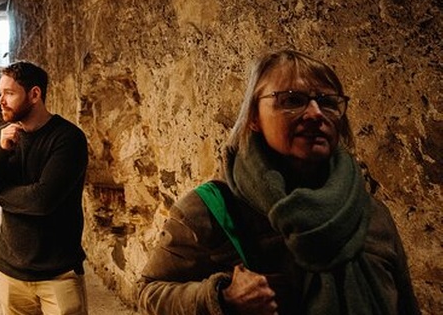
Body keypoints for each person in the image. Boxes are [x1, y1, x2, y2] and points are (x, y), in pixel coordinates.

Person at [138, 49, 420, 315]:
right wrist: (222, 298)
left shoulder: (367, 212)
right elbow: (148, 293)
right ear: (253, 118)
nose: (315, 114)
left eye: (328, 102)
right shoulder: (210, 211)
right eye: (291, 100)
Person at [0, 60, 89, 315]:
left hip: (58, 275)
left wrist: (0, 193)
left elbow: (42, 201)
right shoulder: (1, 137)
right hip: (10, 271)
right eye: (0, 93)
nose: (1, 101)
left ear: (35, 94)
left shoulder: (68, 139)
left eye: (9, 93)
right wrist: (1, 153)